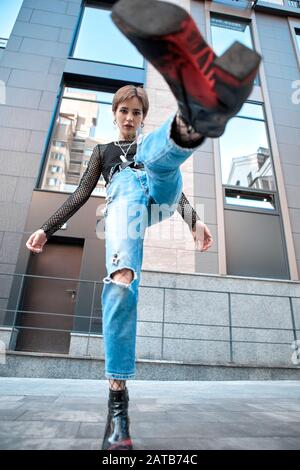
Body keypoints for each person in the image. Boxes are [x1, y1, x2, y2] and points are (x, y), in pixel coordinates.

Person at [26, 0, 261, 451]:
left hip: (160, 192)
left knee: (159, 162)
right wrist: (47, 228)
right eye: (124, 112)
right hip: (126, 207)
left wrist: (195, 223)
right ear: (114, 114)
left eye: (137, 112)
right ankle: (118, 403)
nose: (130, 118)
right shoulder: (102, 152)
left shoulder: (145, 144)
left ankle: (193, 117)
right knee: (120, 283)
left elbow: (175, 192)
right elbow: (79, 196)